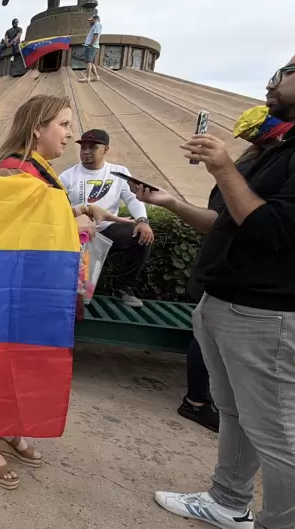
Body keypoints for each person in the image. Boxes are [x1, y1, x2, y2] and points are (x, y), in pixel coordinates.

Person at [149, 58, 295, 529]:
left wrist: (226, 168)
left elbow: (272, 229)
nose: (273, 81)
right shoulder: (278, 147)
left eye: (288, 71)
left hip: (266, 314)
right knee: (234, 413)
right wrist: (173, 203)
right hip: (227, 302)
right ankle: (228, 501)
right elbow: (227, 222)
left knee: (279, 436)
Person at [0, 94, 129, 491]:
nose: (69, 134)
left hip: (32, 290)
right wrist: (72, 227)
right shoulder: (12, 172)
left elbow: (39, 214)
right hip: (9, 293)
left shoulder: (36, 169)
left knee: (21, 363)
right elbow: (4, 232)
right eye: (63, 124)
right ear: (37, 128)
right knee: (1, 363)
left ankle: (6, 426)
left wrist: (82, 212)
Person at [59, 129, 154, 308]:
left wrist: (142, 220)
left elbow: (133, 198)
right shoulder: (67, 176)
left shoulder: (119, 172)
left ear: (106, 149)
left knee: (140, 236)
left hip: (108, 228)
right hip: (79, 232)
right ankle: (74, 295)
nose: (86, 151)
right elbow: (58, 208)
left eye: (92, 147)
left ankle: (124, 287)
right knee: (81, 294)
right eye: (83, 147)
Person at [78, 14, 102, 83]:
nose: (90, 21)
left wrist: (91, 44)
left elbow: (96, 35)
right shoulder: (95, 25)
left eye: (91, 20)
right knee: (90, 62)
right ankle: (96, 77)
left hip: (91, 46)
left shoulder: (97, 25)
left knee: (88, 61)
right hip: (90, 46)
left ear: (95, 19)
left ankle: (87, 78)